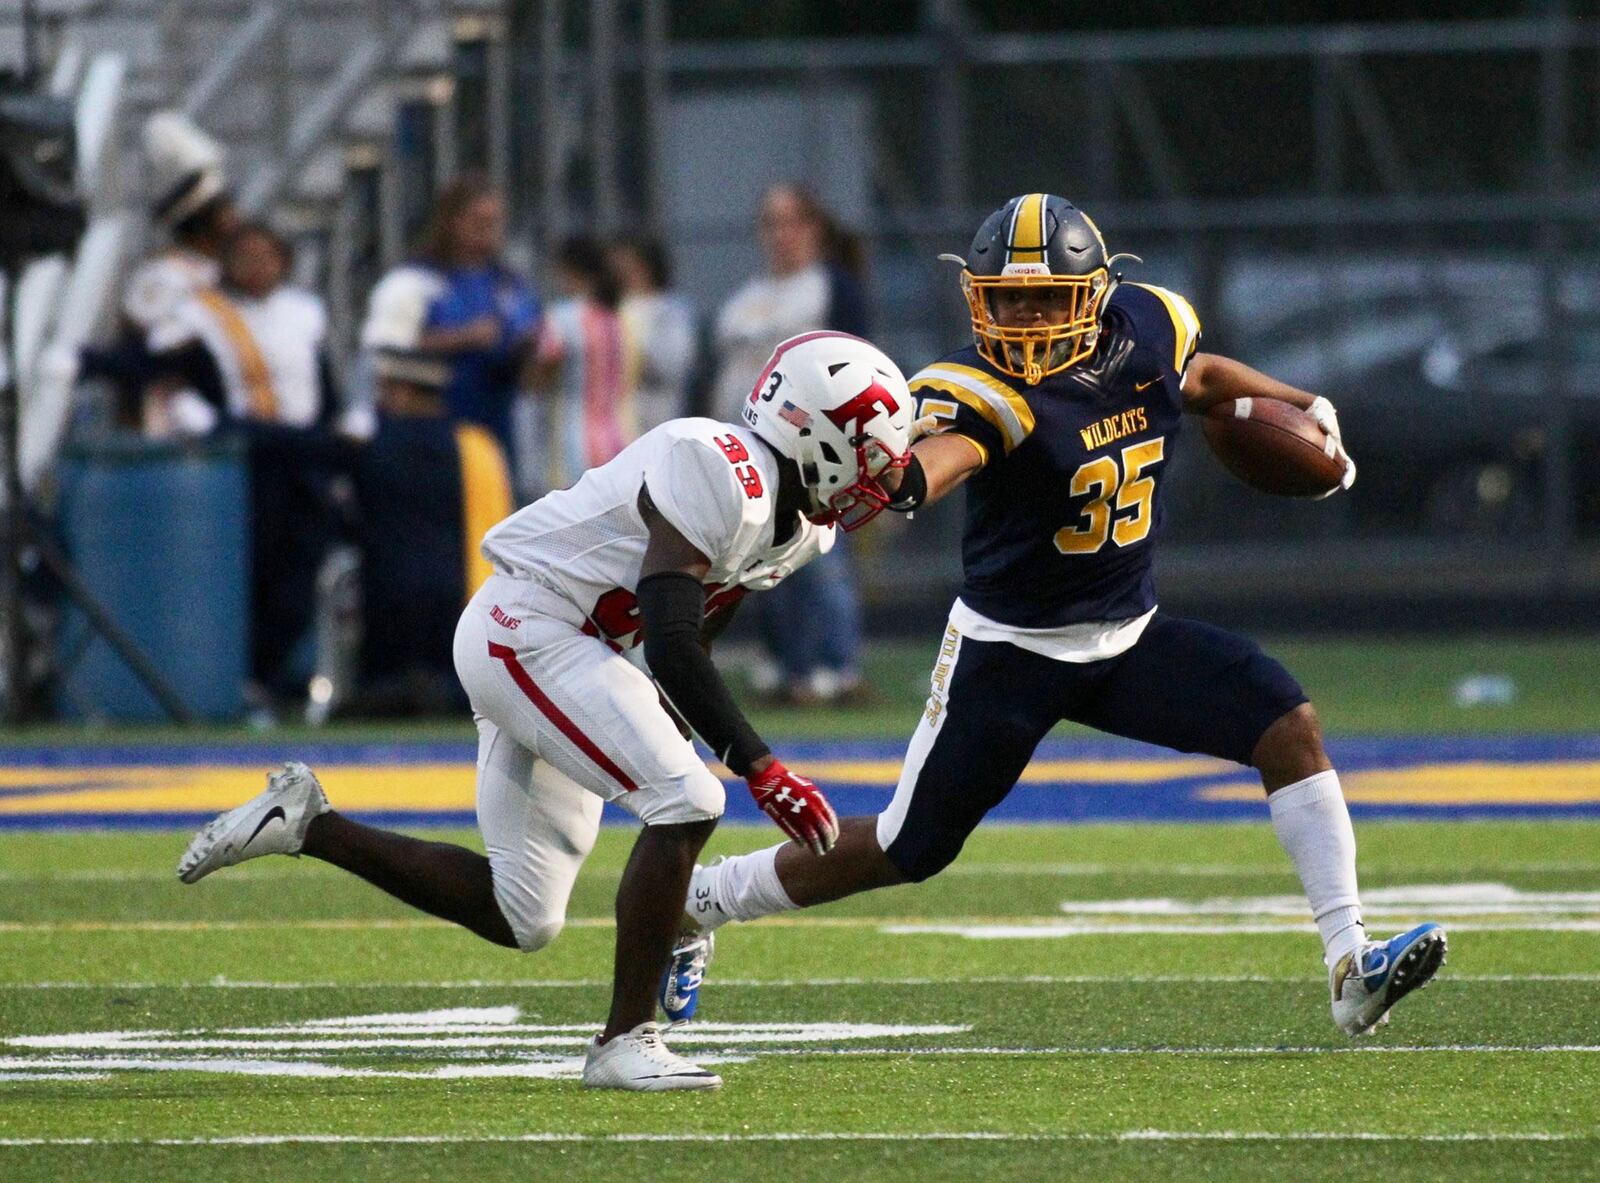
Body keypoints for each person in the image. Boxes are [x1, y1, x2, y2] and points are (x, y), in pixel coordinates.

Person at [678, 194, 1447, 1039]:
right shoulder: (980, 388)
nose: (1027, 315)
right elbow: (949, 454)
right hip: (1010, 653)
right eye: (1009, 298)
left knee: (1286, 722)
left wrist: (1301, 399)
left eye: (1046, 295)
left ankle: (1350, 963)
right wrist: (900, 482)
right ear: (980, 298)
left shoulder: (1149, 324)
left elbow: (1205, 378)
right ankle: (704, 901)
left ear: (1094, 292)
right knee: (910, 846)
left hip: (1127, 636)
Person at [175, 331, 914, 1090]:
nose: (878, 482)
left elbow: (697, 626)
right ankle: (625, 1038)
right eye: (869, 456)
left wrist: (682, 729)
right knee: (690, 797)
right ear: (817, 433)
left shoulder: (802, 527)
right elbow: (668, 634)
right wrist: (758, 764)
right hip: (529, 628)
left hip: (571, 649)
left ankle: (304, 821)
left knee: (523, 913)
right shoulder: (719, 465)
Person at [148, 223, 340, 714]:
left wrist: (342, 422)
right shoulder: (202, 314)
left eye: (268, 256)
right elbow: (152, 366)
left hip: (302, 452)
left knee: (301, 569)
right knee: (252, 567)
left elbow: (322, 381)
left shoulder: (304, 311)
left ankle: (278, 679)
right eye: (247, 257)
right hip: (244, 456)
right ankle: (247, 681)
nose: (258, 268)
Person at [712, 184, 873, 705]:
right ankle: (788, 665)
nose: (781, 234)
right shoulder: (748, 297)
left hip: (814, 447)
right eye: (771, 222)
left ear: (814, 228)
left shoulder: (830, 286)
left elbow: (861, 365)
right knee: (764, 560)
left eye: (791, 221)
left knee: (822, 555)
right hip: (748, 447)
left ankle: (837, 666)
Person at [341, 346, 514, 717]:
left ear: (401, 391)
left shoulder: (370, 443)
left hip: (387, 594)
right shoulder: (478, 444)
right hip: (464, 592)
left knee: (383, 692)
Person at [363, 174, 540, 466]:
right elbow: (384, 349)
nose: (487, 231)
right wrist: (461, 338)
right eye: (477, 220)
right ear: (452, 221)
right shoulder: (413, 280)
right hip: (428, 432)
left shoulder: (510, 284)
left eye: (494, 222)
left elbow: (528, 350)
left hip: (496, 429)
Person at [526, 236, 630, 491]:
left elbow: (538, 380)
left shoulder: (561, 318)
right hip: (618, 440)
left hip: (569, 447)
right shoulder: (621, 317)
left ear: (567, 270)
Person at [609, 236, 697, 435]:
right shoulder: (608, 311)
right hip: (616, 427)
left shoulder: (672, 309)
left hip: (658, 419)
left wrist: (633, 342)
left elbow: (675, 364)